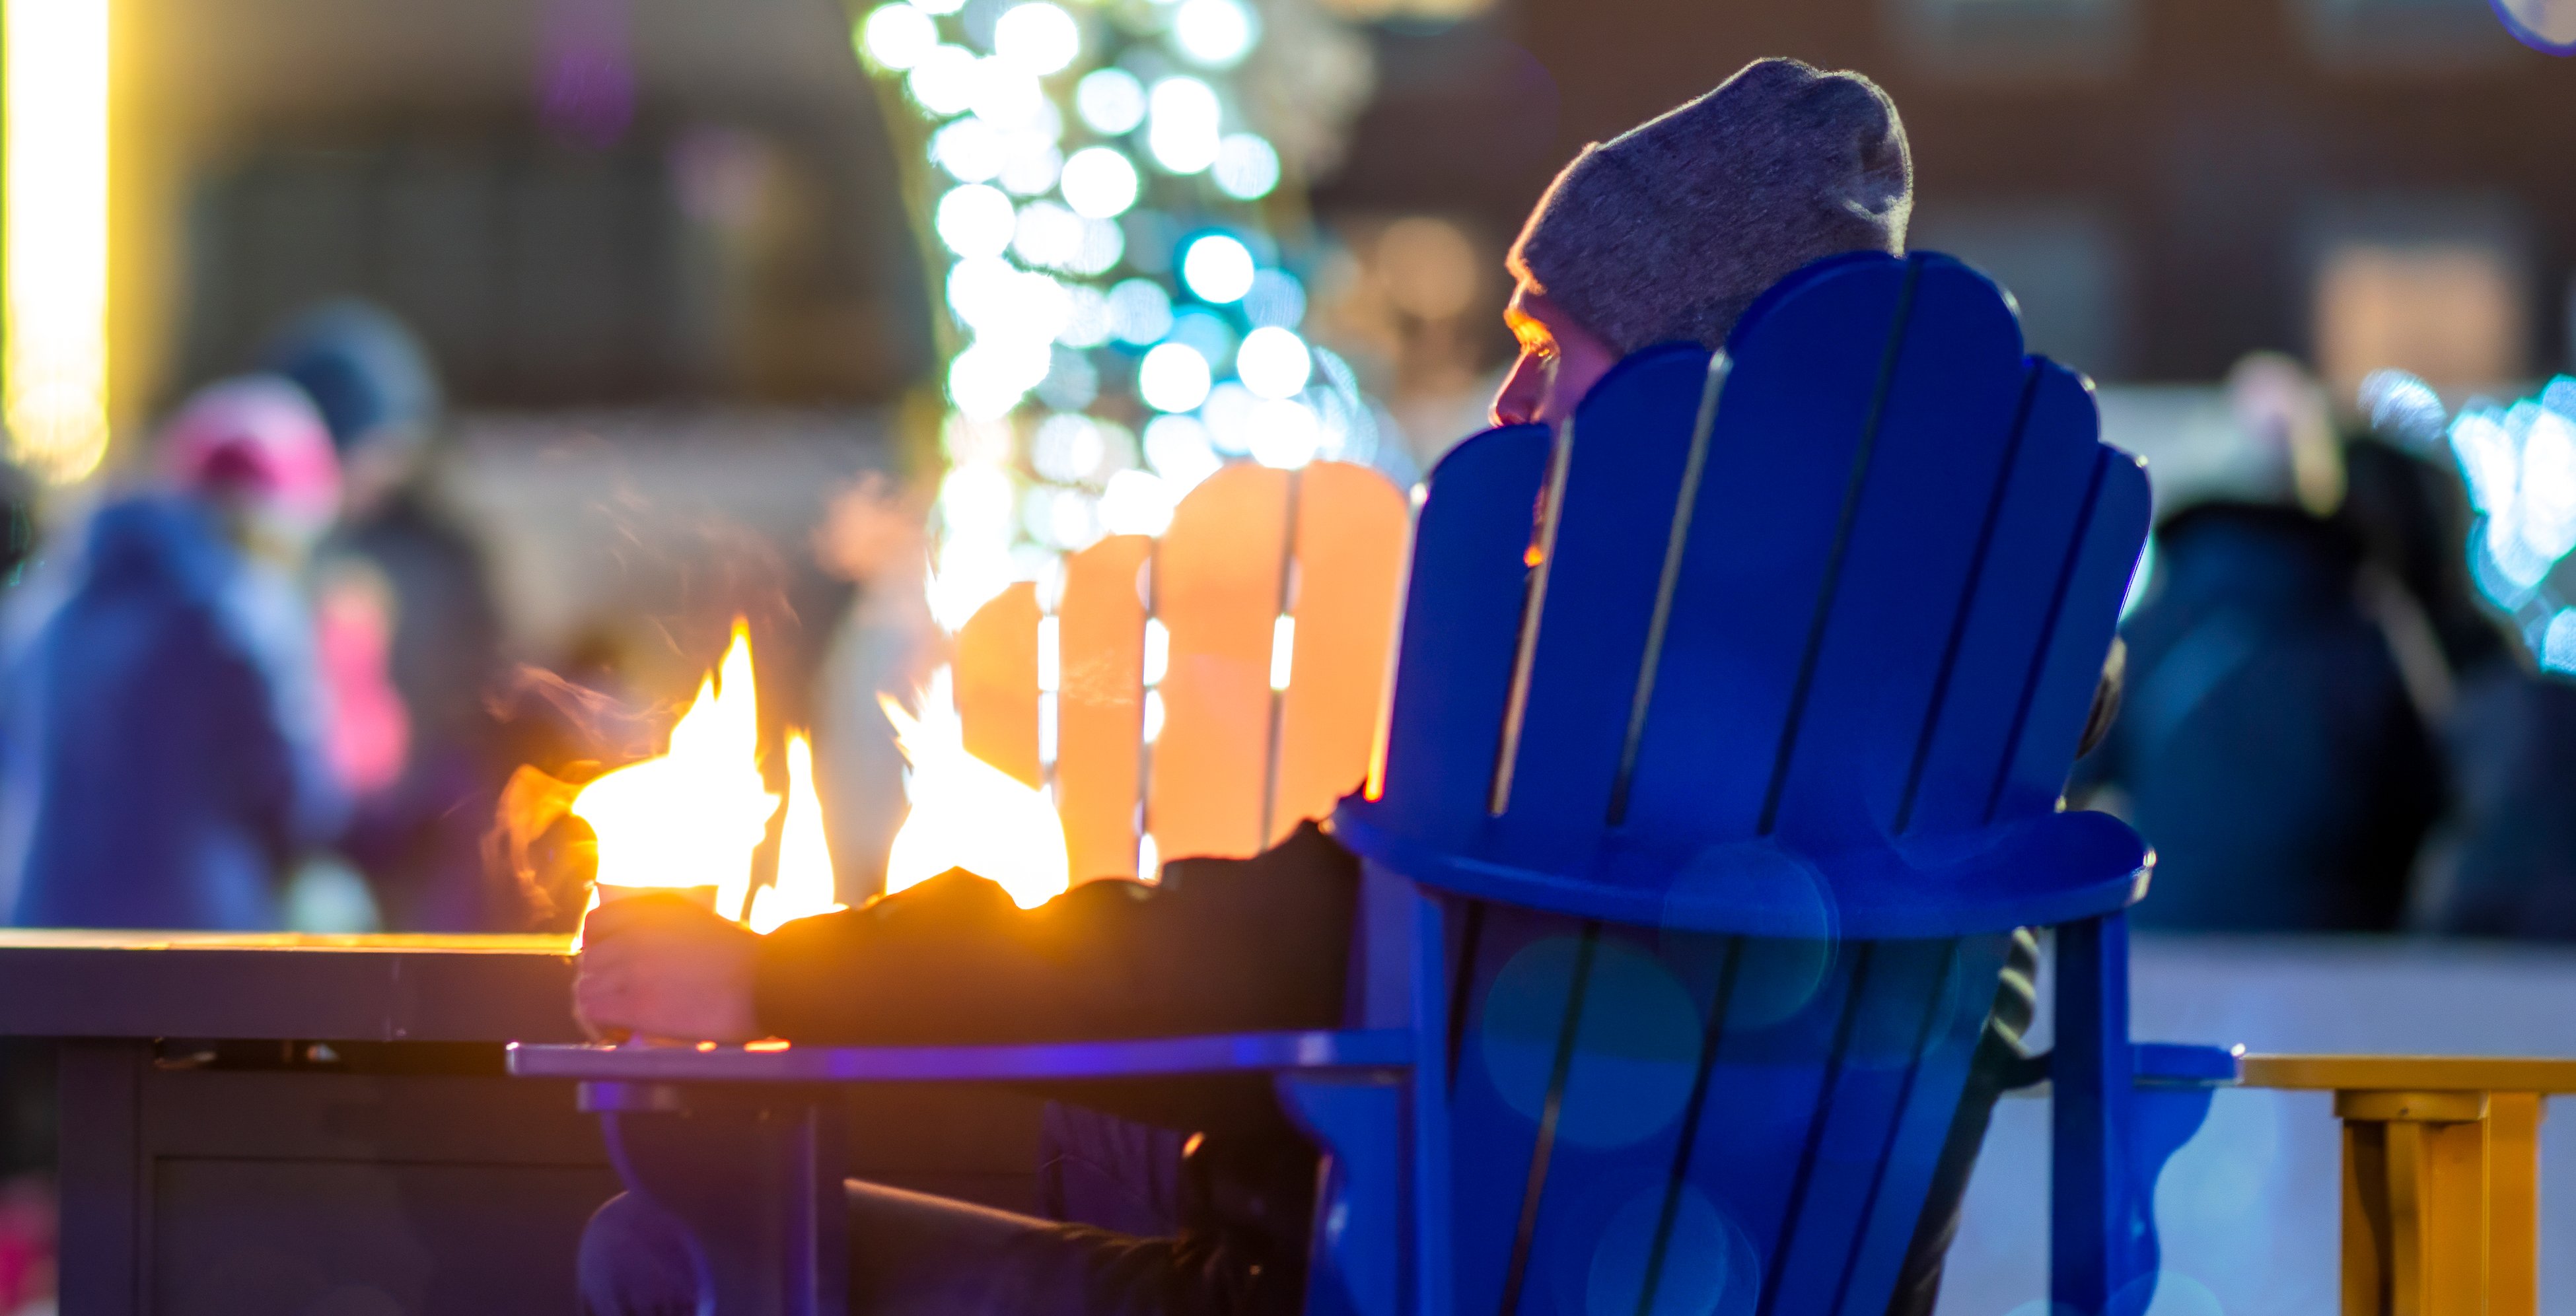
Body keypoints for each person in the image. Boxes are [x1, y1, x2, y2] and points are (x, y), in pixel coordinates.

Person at [575, 59, 2037, 1316]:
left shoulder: (1594, 708)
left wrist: (774, 972)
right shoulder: (1971, 715)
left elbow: (1253, 964)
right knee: (1090, 1135)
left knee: (660, 1241)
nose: (1511, 409)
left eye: (1549, 350)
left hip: (1376, 1281)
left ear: (1685, 387)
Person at [1, 378, 349, 930]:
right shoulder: (236, 621)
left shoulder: (50, 609)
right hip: (193, 950)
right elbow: (298, 805)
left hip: (45, 936)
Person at [262, 300, 513, 931]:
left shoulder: (435, 557)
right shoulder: (278, 561)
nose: (387, 468)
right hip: (321, 856)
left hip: (417, 845)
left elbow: (478, 688)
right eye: (378, 448)